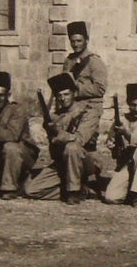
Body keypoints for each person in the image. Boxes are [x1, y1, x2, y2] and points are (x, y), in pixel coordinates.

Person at [24, 73, 101, 204]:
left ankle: (73, 192)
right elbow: (53, 147)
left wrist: (57, 131)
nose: (62, 98)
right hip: (62, 163)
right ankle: (82, 190)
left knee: (72, 147)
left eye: (66, 94)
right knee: (31, 190)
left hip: (85, 162)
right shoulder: (55, 117)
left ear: (74, 94)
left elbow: (80, 139)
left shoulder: (88, 112)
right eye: (59, 95)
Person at [62, 21, 108, 103]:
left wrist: (76, 88)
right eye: (72, 41)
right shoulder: (68, 61)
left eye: (79, 41)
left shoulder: (94, 61)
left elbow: (100, 89)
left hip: (90, 105)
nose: (75, 44)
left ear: (86, 40)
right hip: (71, 105)